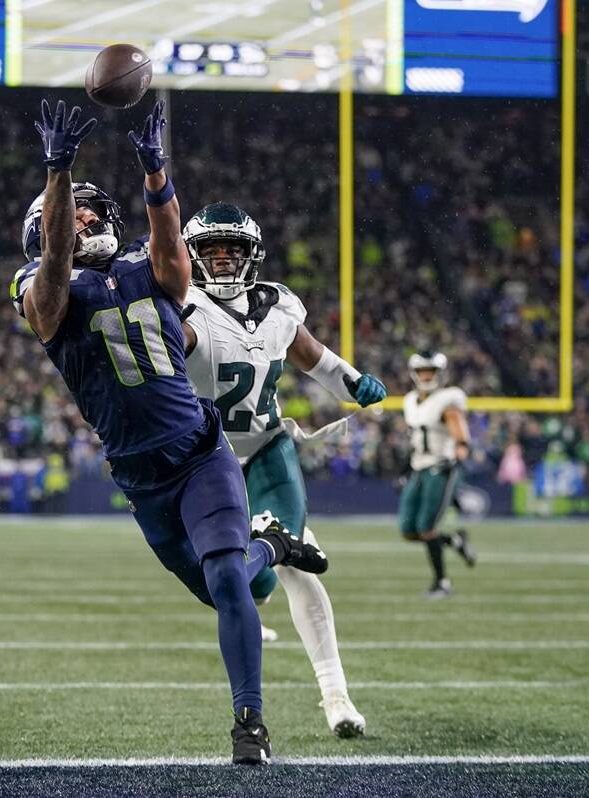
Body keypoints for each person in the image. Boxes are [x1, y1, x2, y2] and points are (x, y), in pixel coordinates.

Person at [10, 101, 328, 765]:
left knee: (225, 585)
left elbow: (170, 251)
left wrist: (156, 173)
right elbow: (55, 270)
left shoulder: (144, 269)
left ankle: (250, 726)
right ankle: (270, 545)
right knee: (226, 582)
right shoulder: (39, 291)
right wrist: (58, 169)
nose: (89, 219)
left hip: (200, 452)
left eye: (97, 211)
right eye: (76, 214)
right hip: (140, 475)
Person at [179, 202, 386, 738]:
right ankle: (260, 577)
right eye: (211, 251)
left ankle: (336, 697)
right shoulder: (179, 307)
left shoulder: (276, 307)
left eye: (233, 250)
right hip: (208, 459)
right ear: (191, 257)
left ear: (253, 256)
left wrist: (353, 382)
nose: (223, 261)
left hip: (269, 447)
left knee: (294, 559)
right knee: (254, 576)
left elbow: (312, 356)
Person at [400, 352, 477, 598]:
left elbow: (460, 435)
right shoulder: (411, 400)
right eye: (423, 370)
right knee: (408, 529)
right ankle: (455, 540)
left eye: (431, 371)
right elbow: (414, 438)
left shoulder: (448, 400)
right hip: (418, 467)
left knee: (427, 528)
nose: (427, 375)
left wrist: (460, 452)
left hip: (439, 467)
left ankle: (442, 583)